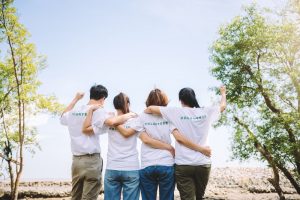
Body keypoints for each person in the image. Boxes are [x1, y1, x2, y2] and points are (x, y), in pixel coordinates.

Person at [116, 88, 212, 200]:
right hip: (166, 163)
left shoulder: (142, 116)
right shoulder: (169, 116)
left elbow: (145, 140)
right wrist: (170, 148)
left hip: (147, 164)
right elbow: (178, 136)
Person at [145, 86, 226, 200]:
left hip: (183, 164)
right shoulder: (206, 111)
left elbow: (151, 109)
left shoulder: (175, 112)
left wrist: (144, 111)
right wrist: (223, 93)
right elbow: (222, 106)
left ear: (180, 100)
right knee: (199, 197)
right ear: (193, 98)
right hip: (203, 164)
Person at [82, 92, 140, 200]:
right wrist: (130, 114)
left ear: (114, 105)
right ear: (128, 104)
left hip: (112, 167)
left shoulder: (108, 120)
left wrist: (91, 111)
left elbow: (85, 129)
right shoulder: (135, 119)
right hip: (131, 167)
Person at [60, 85, 107, 200]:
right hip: (91, 161)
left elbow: (62, 118)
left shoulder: (75, 111)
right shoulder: (98, 110)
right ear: (102, 98)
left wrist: (76, 99)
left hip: (76, 161)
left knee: (75, 196)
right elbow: (107, 125)